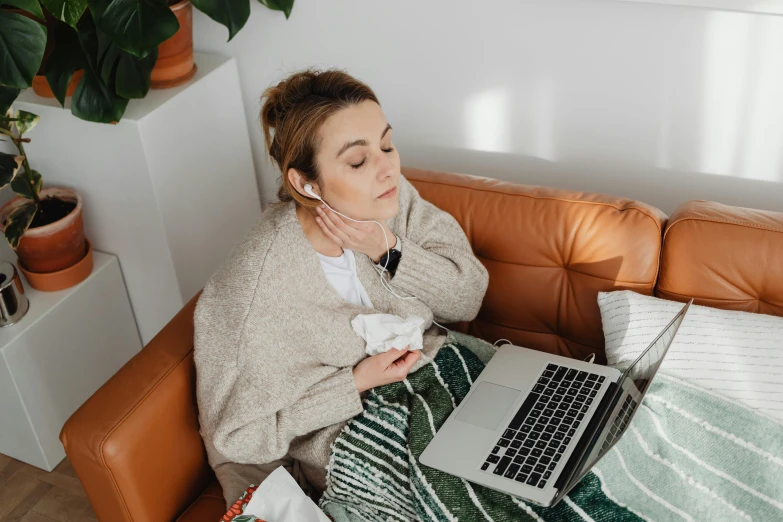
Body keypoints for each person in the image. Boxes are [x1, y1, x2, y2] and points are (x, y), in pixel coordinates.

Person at [193, 68, 490, 507]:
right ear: (304, 183)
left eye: (387, 145)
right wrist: (352, 383)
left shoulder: (391, 199)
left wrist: (387, 249)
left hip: (447, 381)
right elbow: (237, 438)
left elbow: (468, 296)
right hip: (365, 444)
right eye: (357, 161)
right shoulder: (254, 287)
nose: (387, 167)